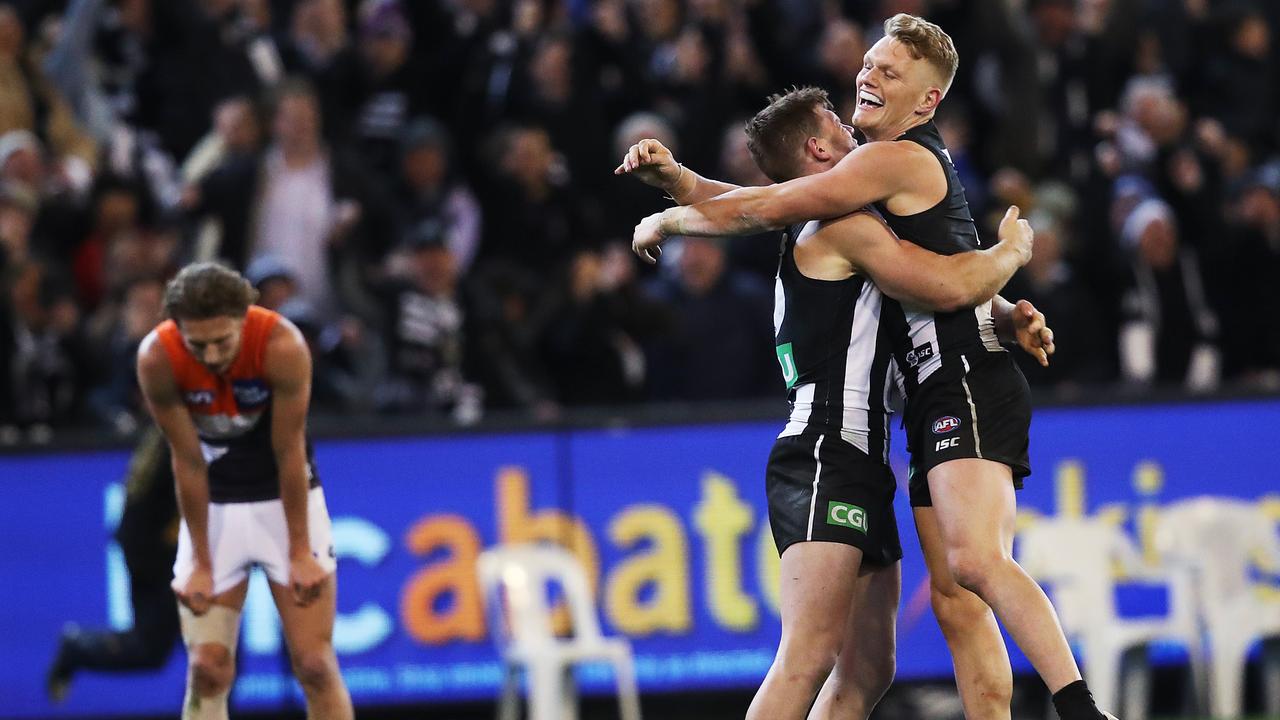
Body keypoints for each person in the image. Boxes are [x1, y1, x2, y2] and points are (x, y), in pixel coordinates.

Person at [627, 14, 1109, 720]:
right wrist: (1009, 255)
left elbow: (768, 205)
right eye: (845, 125)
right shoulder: (846, 220)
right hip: (833, 445)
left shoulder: (866, 190)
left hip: (886, 434)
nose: (863, 84)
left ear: (927, 100)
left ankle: (1064, 705)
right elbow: (938, 282)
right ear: (823, 149)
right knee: (829, 649)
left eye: (885, 70)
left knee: (891, 646)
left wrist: (679, 186)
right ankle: (1077, 706)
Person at [135, 262, 351, 720]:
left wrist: (299, 552)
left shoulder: (281, 345)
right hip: (216, 505)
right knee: (208, 670)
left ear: (245, 318)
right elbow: (188, 462)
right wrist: (201, 563)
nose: (211, 356)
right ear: (177, 329)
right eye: (199, 345)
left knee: (314, 665)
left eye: (222, 342)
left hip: (284, 498)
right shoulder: (158, 358)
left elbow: (290, 453)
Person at [46, 427, 181, 702]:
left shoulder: (169, 421)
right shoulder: (190, 427)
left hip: (145, 542)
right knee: (160, 649)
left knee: (204, 649)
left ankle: (77, 647)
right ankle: (77, 647)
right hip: (155, 551)